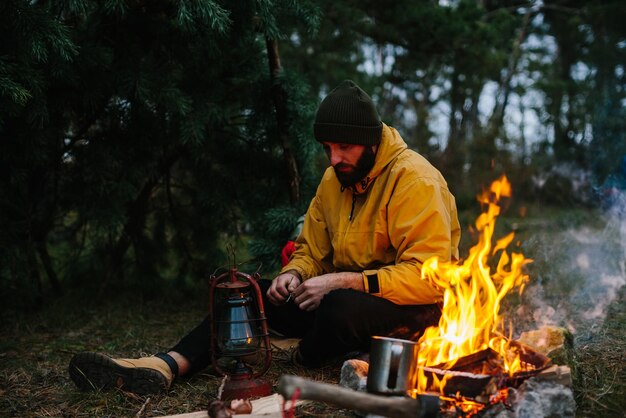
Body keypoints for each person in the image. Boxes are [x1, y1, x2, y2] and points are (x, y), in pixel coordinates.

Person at [69, 80, 461, 396]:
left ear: (372, 142)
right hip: (343, 301)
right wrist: (295, 272)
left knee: (338, 305)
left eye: (345, 147)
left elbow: (429, 279)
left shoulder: (415, 180)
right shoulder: (334, 180)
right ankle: (168, 364)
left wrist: (344, 281)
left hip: (414, 311)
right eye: (327, 148)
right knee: (250, 290)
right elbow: (312, 249)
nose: (334, 159)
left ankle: (307, 352)